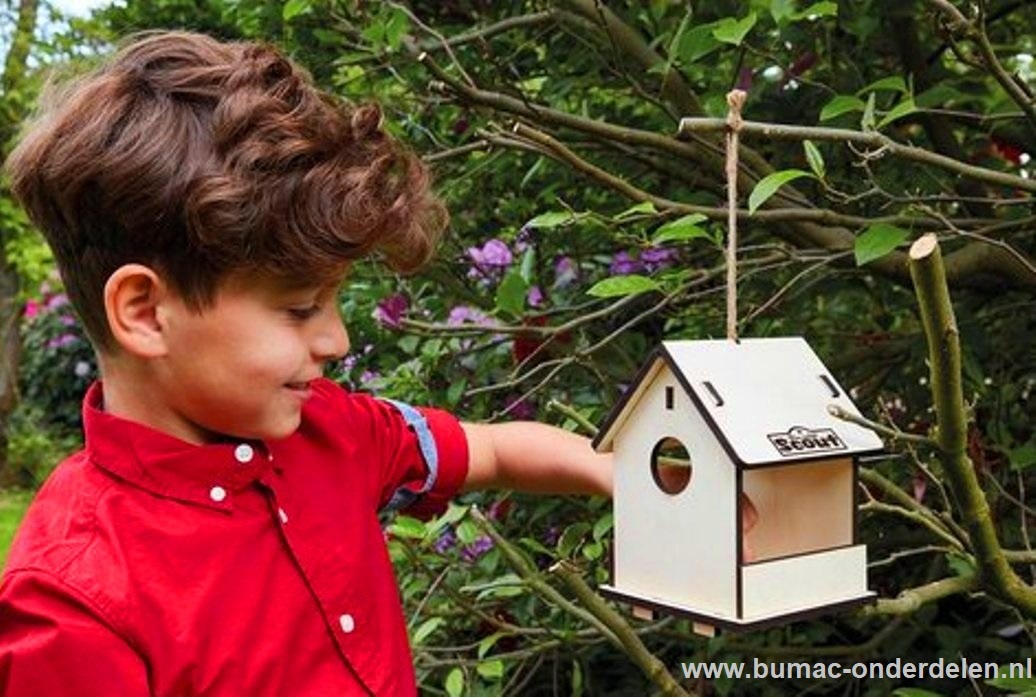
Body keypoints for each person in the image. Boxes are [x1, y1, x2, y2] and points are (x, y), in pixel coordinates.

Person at [0, 31, 751, 696]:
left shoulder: (335, 432)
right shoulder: (74, 605)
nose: (337, 342)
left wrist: (623, 476)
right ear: (144, 312)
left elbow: (488, 447)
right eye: (299, 309)